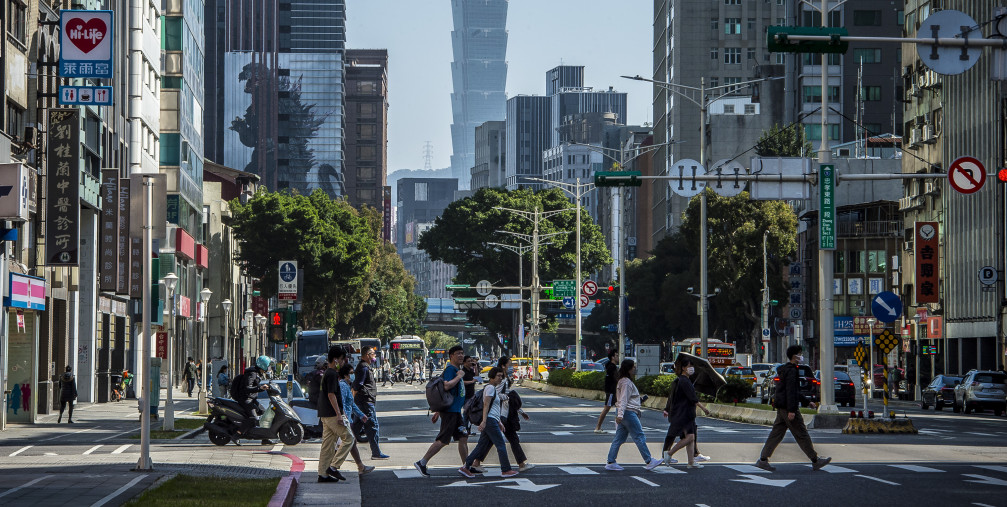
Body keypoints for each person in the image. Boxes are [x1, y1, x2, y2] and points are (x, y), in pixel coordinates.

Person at [755, 345, 831, 472]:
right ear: (794, 356)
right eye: (799, 354)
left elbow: (794, 391)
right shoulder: (791, 371)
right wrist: (791, 410)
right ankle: (815, 460)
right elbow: (791, 391)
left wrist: (807, 402)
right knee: (801, 433)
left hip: (782, 407)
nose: (801, 356)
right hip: (788, 407)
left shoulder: (786, 369)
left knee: (776, 434)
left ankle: (763, 460)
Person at [469, 356, 533, 473]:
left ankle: (475, 463)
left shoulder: (504, 378)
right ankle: (516, 465)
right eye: (510, 364)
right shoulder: (501, 380)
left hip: (502, 414)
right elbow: (495, 394)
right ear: (503, 366)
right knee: (495, 440)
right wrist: (507, 397)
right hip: (500, 414)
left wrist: (520, 411)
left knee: (492, 440)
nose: (512, 367)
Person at [414, 345, 469, 477]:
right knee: (443, 440)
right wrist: (459, 376)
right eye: (458, 354)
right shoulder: (451, 369)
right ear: (451, 356)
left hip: (455, 411)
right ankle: (422, 462)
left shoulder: (455, 369)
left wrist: (438, 411)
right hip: (451, 411)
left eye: (462, 353)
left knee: (463, 437)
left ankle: (466, 466)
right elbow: (446, 385)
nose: (461, 356)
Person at [605, 359, 664, 471]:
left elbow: (626, 399)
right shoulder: (626, 382)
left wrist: (638, 401)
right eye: (633, 367)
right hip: (628, 413)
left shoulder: (623, 381)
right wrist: (621, 415)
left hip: (625, 412)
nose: (635, 369)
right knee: (639, 436)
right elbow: (623, 400)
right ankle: (649, 461)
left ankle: (611, 461)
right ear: (628, 369)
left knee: (619, 438)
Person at [459, 367, 518, 478]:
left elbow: (493, 408)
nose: (500, 378)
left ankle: (465, 467)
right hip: (490, 421)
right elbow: (486, 405)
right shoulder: (490, 388)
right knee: (500, 444)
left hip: (493, 420)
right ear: (492, 377)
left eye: (502, 376)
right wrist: (484, 421)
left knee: (481, 446)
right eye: (498, 376)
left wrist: (499, 421)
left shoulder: (493, 388)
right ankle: (506, 469)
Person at [661, 358, 711, 469]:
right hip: (684, 414)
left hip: (686, 413)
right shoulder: (683, 381)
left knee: (690, 438)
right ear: (683, 368)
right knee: (690, 437)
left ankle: (691, 462)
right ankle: (669, 453)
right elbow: (693, 398)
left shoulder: (685, 380)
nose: (691, 369)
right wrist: (704, 408)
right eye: (689, 366)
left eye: (692, 366)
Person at [317, 346, 354, 483]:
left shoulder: (327, 373)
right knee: (349, 438)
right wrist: (339, 414)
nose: (343, 362)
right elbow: (331, 395)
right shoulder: (332, 374)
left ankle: (323, 474)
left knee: (328, 444)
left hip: (325, 413)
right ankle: (334, 466)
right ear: (335, 359)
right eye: (342, 359)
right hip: (332, 414)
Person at [352, 346, 389, 459]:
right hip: (366, 402)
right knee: (372, 426)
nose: (374, 356)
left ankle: (338, 447)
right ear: (367, 355)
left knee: (355, 428)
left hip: (364, 402)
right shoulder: (363, 368)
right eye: (373, 354)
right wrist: (352, 401)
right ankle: (376, 453)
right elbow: (357, 386)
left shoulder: (365, 367)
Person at [338, 364, 375, 476]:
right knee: (350, 442)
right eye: (351, 373)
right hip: (344, 419)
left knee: (347, 443)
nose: (353, 375)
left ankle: (360, 466)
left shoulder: (347, 386)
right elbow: (343, 404)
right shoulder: (343, 386)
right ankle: (333, 467)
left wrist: (361, 415)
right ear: (345, 375)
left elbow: (351, 404)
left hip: (346, 419)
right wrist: (344, 417)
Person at [230, 355, 270, 444]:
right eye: (268, 365)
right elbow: (247, 388)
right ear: (263, 365)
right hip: (245, 399)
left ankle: (265, 437)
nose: (268, 367)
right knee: (253, 418)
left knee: (264, 413)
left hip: (252, 399)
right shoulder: (252, 373)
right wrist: (260, 388)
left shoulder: (256, 373)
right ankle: (237, 435)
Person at [595, 350, 619, 433]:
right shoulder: (611, 367)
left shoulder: (611, 366)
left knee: (619, 408)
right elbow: (615, 379)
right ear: (612, 357)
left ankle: (620, 427)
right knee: (606, 408)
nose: (618, 357)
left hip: (613, 391)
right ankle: (598, 428)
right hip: (611, 391)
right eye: (616, 355)